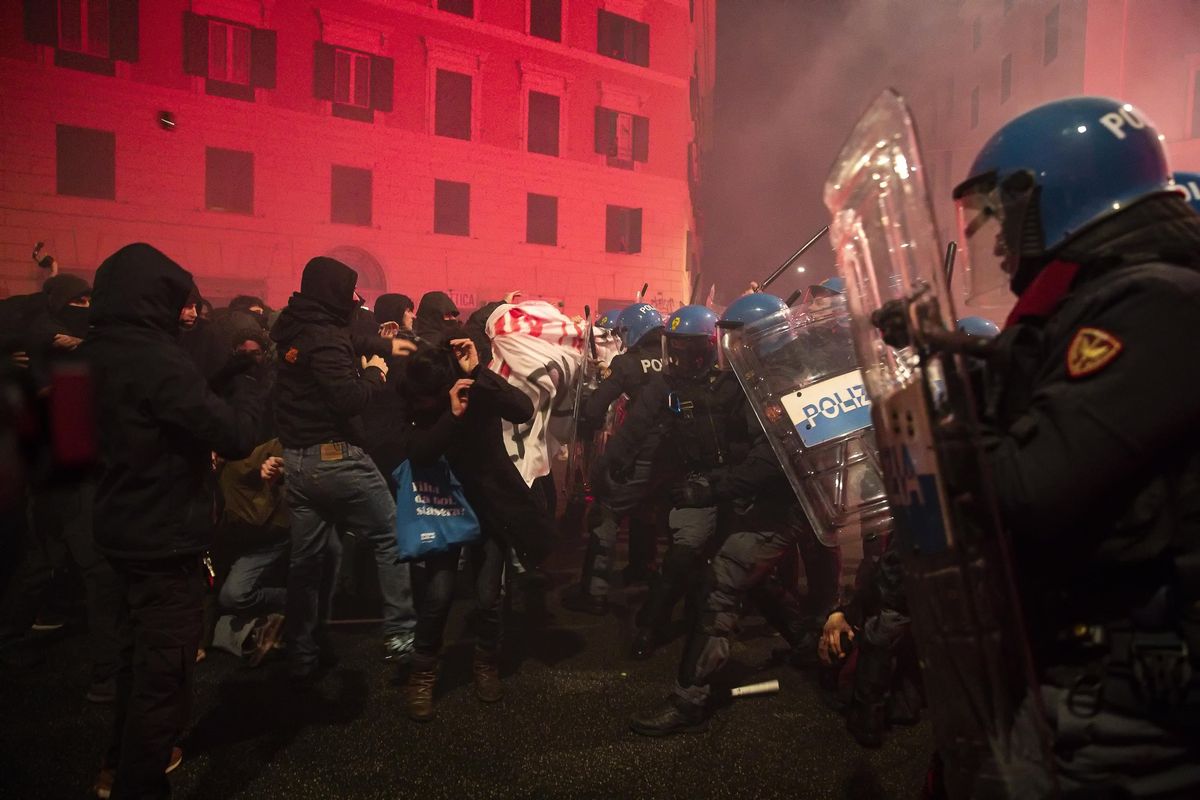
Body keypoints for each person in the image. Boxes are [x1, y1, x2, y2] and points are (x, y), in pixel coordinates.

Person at [83, 243, 263, 799]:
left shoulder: (89, 353)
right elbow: (234, 434)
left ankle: (115, 768)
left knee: (134, 662)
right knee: (164, 680)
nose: (186, 314)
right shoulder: (155, 357)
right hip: (163, 538)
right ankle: (138, 780)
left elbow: (73, 444)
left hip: (117, 528)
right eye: (176, 301)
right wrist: (253, 381)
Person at [619, 297, 818, 736]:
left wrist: (711, 486)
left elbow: (769, 461)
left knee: (720, 582)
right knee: (751, 572)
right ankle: (808, 642)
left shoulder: (777, 385)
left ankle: (690, 698)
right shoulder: (760, 379)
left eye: (738, 336)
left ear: (761, 338)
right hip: (770, 502)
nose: (728, 346)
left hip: (781, 506)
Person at [271, 256, 417, 682]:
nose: (355, 299)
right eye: (350, 291)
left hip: (297, 463)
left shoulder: (294, 325)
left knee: (309, 561)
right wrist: (374, 373)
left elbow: (342, 342)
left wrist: (387, 345)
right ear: (334, 292)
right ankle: (402, 639)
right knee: (391, 536)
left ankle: (301, 654)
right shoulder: (326, 339)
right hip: (336, 459)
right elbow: (350, 398)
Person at [398, 337, 552, 720]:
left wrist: (480, 371)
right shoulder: (418, 398)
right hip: (442, 508)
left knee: (487, 597)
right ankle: (423, 673)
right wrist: (450, 416)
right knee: (439, 593)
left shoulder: (474, 388)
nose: (423, 404)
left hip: (488, 505)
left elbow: (522, 408)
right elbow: (420, 452)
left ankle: (486, 662)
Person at [562, 302, 666, 615]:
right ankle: (641, 569)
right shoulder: (676, 357)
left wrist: (584, 426)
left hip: (638, 447)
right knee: (646, 510)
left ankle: (594, 592)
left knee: (606, 513)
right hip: (671, 454)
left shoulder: (628, 363)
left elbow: (596, 407)